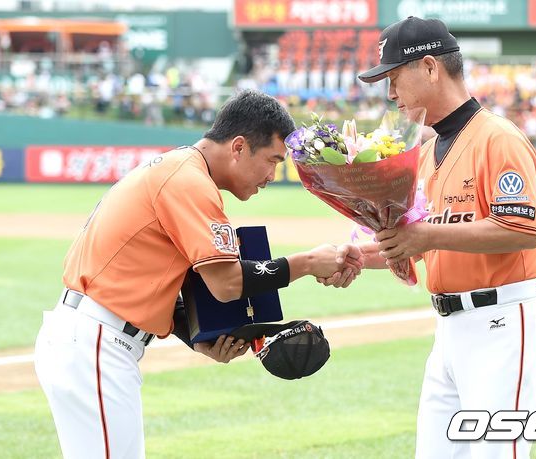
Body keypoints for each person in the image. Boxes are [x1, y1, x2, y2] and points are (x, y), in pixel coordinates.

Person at [34, 89, 361, 459]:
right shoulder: (188, 181)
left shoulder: (181, 169)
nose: (272, 175)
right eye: (272, 160)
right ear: (239, 147)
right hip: (96, 341)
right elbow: (226, 283)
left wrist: (194, 337)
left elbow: (152, 281)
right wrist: (308, 262)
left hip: (93, 338)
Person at [325, 16, 536, 459]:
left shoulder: (498, 138)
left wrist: (425, 236)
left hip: (502, 323)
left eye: (394, 78)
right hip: (449, 329)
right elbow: (421, 241)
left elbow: (524, 230)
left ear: (429, 67)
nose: (390, 93)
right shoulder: (425, 152)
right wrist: (362, 255)